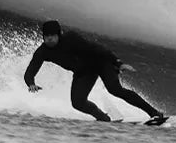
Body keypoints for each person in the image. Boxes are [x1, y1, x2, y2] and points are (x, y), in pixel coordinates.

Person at [24, 19, 167, 126]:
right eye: (46, 36)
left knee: (115, 89)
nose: (49, 39)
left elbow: (96, 49)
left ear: (59, 34)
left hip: (100, 63)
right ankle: (103, 118)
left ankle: (155, 114)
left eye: (52, 36)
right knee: (78, 102)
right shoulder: (43, 52)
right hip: (83, 72)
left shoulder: (71, 39)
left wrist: (117, 63)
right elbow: (30, 70)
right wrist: (30, 83)